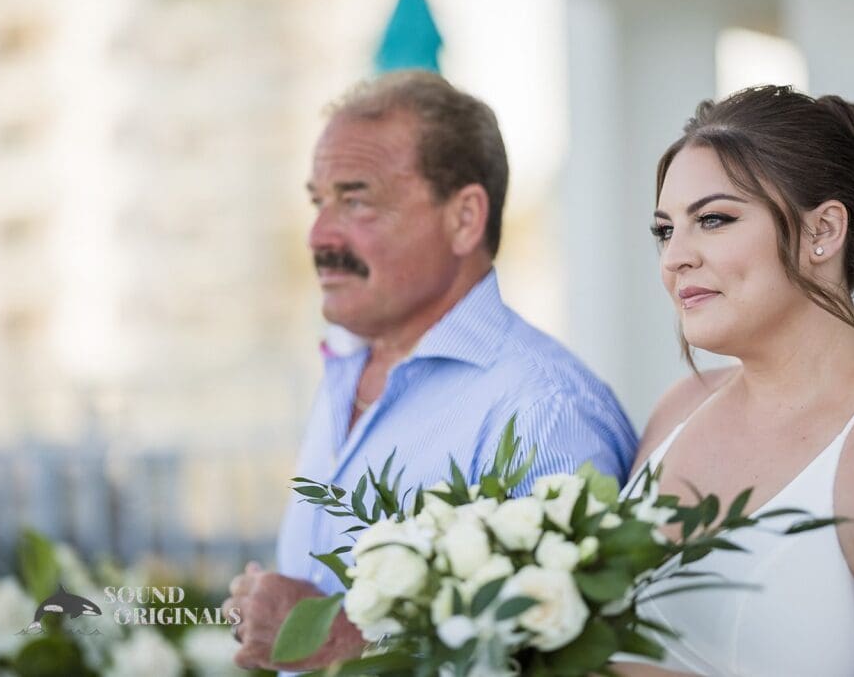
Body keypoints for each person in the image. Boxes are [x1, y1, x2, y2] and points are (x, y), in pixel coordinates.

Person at [222, 70, 638, 673]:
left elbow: (580, 662)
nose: (319, 235)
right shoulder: (344, 369)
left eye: (356, 199)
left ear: (465, 218)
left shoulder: (543, 411)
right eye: (319, 201)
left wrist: (342, 643)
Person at [613, 86, 854, 676]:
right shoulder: (679, 408)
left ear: (823, 230)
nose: (674, 259)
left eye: (712, 220)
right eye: (666, 230)